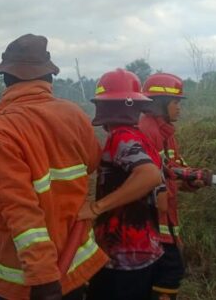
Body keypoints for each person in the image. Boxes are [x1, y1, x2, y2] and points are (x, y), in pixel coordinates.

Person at [0, 34, 108, 300]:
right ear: (49, 79)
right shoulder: (75, 115)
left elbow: (21, 210)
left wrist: (44, 279)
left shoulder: (0, 129)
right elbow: (93, 162)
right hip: (74, 261)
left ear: (7, 79)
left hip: (28, 281)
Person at [78, 68, 164, 300]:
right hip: (142, 250)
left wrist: (96, 208)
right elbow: (159, 172)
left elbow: (150, 175)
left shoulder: (122, 137)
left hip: (122, 255)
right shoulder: (139, 137)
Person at [139, 73, 210, 300]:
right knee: (170, 271)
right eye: (176, 102)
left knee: (164, 273)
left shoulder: (167, 133)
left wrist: (193, 180)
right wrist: (181, 179)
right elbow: (152, 179)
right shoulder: (148, 130)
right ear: (159, 103)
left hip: (166, 218)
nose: (179, 108)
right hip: (152, 219)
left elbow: (175, 168)